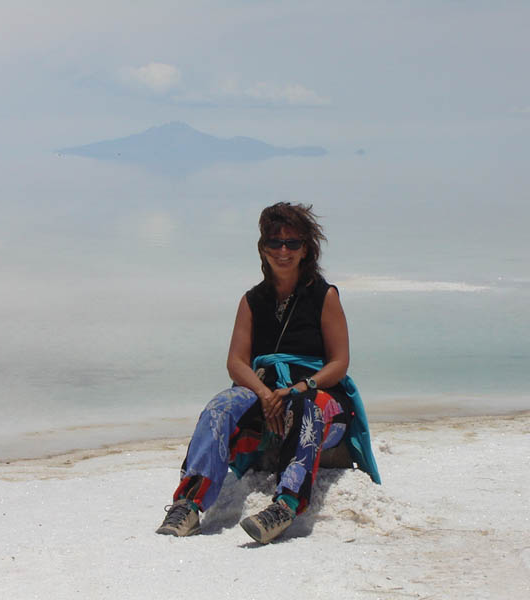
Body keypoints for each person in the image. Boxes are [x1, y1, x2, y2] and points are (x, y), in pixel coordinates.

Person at [156, 202, 379, 544]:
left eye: (293, 243)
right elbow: (236, 363)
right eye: (275, 243)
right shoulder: (252, 300)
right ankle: (188, 504)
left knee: (309, 405)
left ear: (307, 248)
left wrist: (297, 389)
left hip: (317, 399)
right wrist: (265, 394)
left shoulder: (324, 296)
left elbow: (339, 362)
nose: (284, 251)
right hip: (267, 395)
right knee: (221, 405)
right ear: (263, 248)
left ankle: (286, 505)